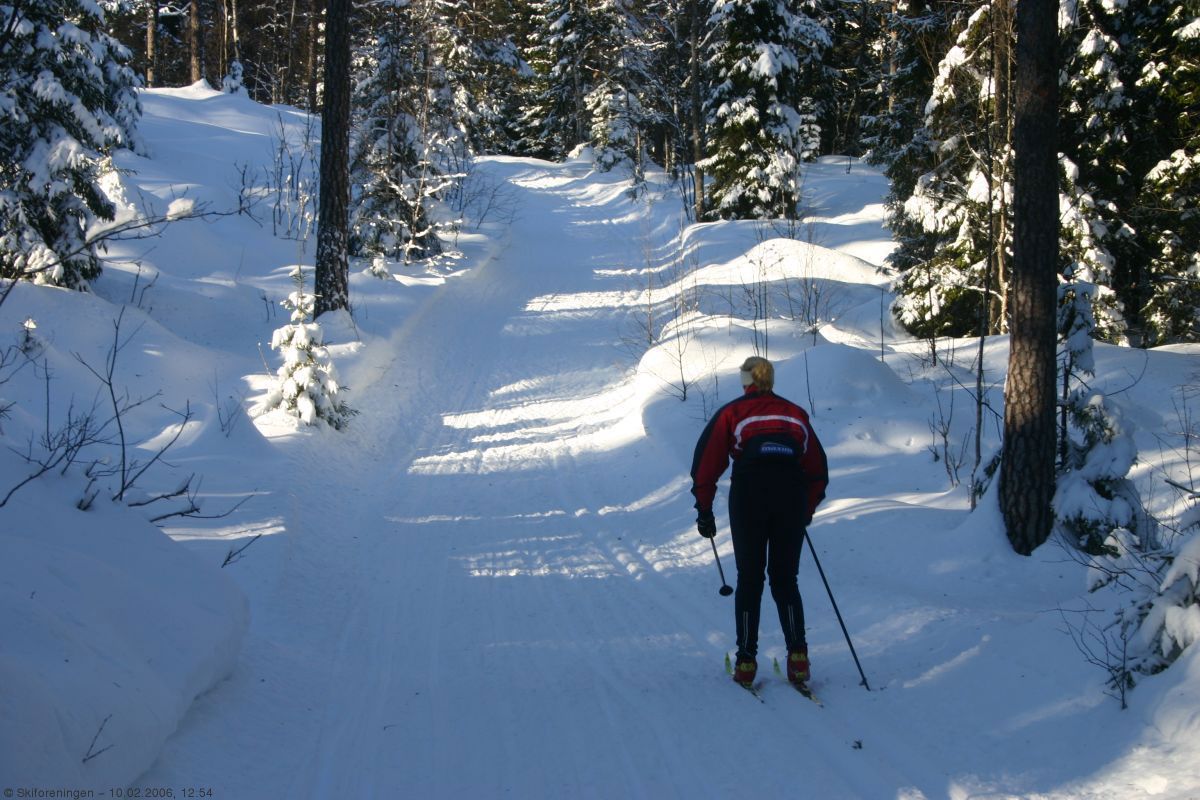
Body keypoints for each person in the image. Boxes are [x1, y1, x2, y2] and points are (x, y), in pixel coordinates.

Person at [690, 356, 828, 688]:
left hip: (749, 499)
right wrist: (805, 511)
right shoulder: (795, 414)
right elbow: (817, 471)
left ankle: (747, 663)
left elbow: (706, 465)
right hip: (790, 501)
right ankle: (798, 658)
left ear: (745, 381)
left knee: (750, 579)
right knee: (785, 580)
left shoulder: (732, 413)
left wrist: (704, 510)